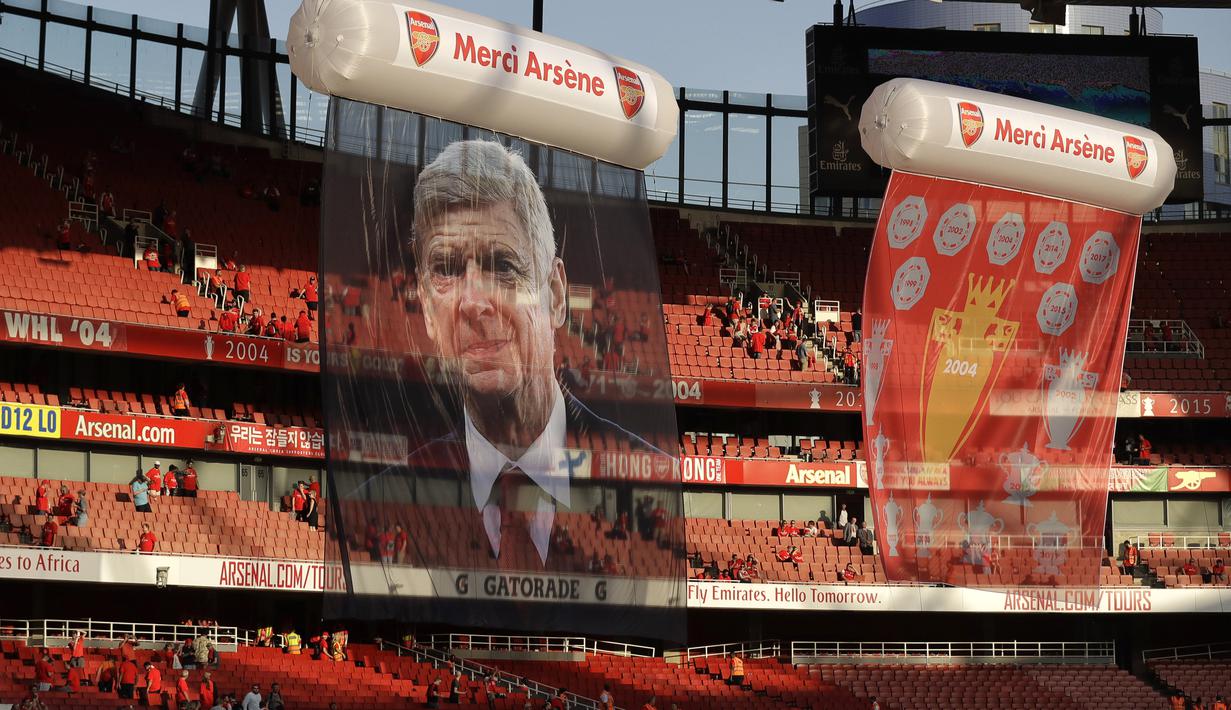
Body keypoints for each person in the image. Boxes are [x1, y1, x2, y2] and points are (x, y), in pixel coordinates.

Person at [360, 141, 667, 572]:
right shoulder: (377, 504)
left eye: (502, 266)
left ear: (556, 295)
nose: (473, 302)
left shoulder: (655, 484)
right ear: (428, 311)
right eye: (446, 270)